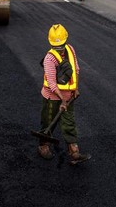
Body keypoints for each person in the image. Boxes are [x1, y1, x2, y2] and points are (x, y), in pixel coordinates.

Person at [38, 24, 91, 165]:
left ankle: (74, 151)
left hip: (68, 96)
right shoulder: (49, 58)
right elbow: (51, 82)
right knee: (48, 122)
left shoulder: (70, 49)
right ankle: (43, 145)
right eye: (57, 46)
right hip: (51, 97)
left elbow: (76, 69)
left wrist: (76, 88)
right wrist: (62, 100)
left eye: (61, 45)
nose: (59, 48)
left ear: (65, 41)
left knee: (69, 123)